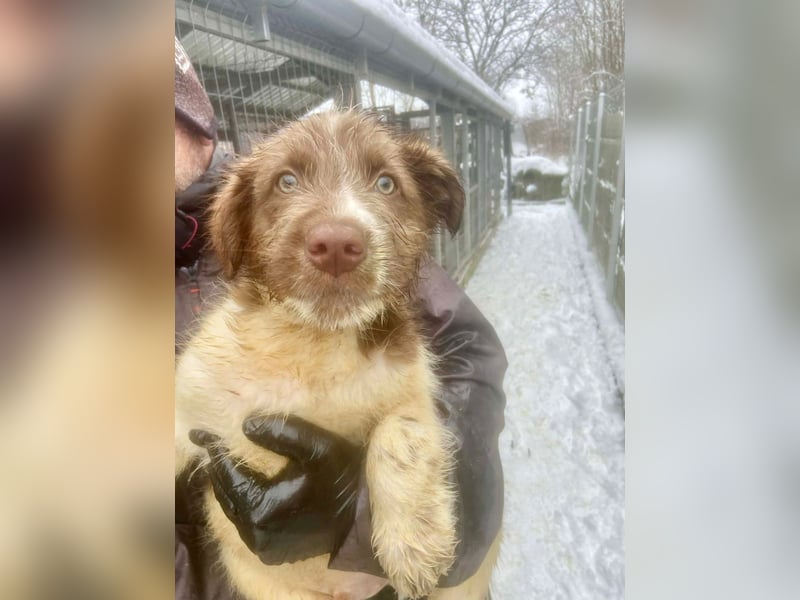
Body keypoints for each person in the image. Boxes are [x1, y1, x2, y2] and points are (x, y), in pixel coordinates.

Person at [173, 38, 507, 600]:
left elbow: (472, 358)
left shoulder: (392, 280)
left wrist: (375, 508)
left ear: (197, 128)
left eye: (384, 184)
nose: (336, 232)